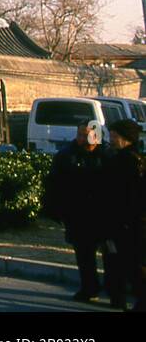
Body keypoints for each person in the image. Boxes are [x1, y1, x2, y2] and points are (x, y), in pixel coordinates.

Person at [47, 120, 109, 301]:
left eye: (87, 134)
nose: (83, 138)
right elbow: (54, 184)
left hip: (103, 214)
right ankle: (89, 288)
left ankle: (115, 290)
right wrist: (58, 211)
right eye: (80, 134)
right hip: (77, 214)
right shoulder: (66, 156)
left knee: (111, 255)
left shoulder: (107, 155)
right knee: (84, 254)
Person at [103, 118, 144, 311]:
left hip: (126, 223)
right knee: (121, 262)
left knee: (130, 264)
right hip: (125, 221)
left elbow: (123, 196)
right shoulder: (124, 158)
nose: (111, 139)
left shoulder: (127, 162)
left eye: (115, 136)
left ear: (126, 139)